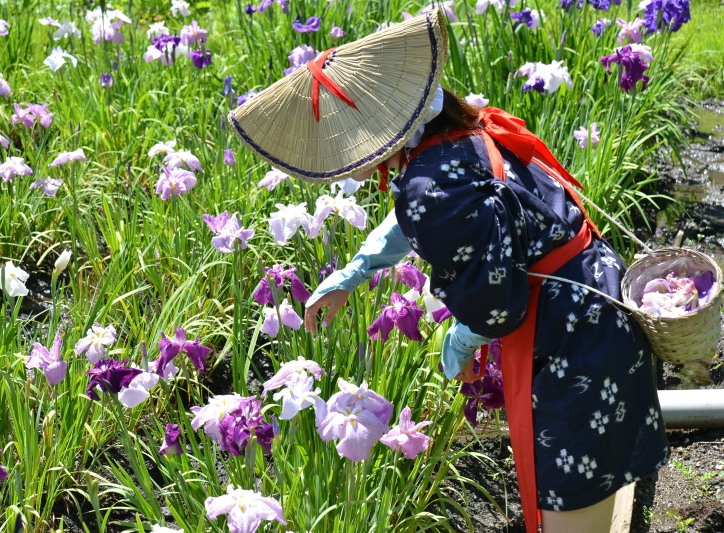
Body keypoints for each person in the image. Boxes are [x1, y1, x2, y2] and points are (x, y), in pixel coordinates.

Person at [229, 9, 669, 533]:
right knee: (590, 490)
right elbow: (432, 215)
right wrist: (355, 270)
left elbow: (495, 304)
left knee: (571, 516)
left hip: (569, 344)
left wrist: (459, 342)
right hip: (601, 305)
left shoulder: (426, 185)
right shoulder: (464, 129)